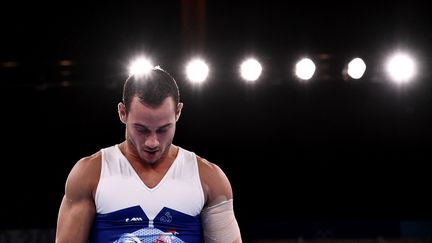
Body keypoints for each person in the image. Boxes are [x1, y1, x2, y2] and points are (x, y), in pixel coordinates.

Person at [55, 66, 242, 243]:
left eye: (163, 129)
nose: (152, 142)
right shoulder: (90, 173)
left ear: (178, 112)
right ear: (122, 113)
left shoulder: (209, 178)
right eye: (141, 129)